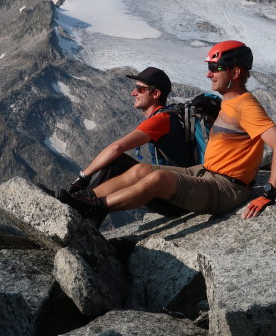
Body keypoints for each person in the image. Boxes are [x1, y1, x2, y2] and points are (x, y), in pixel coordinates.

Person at [59, 40, 276, 222]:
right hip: (205, 172)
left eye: (215, 68)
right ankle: (83, 200)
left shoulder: (246, 106)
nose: (208, 73)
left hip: (226, 188)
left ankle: (95, 208)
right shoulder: (230, 102)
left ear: (234, 73)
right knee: (141, 169)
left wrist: (269, 194)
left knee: (158, 178)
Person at [67, 66, 195, 221]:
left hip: (174, 200)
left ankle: (77, 206)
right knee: (120, 164)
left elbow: (117, 147)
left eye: (140, 89)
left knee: (117, 162)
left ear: (156, 94)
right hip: (180, 192)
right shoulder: (169, 116)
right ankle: (82, 208)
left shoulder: (160, 120)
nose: (133, 93)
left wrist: (83, 177)